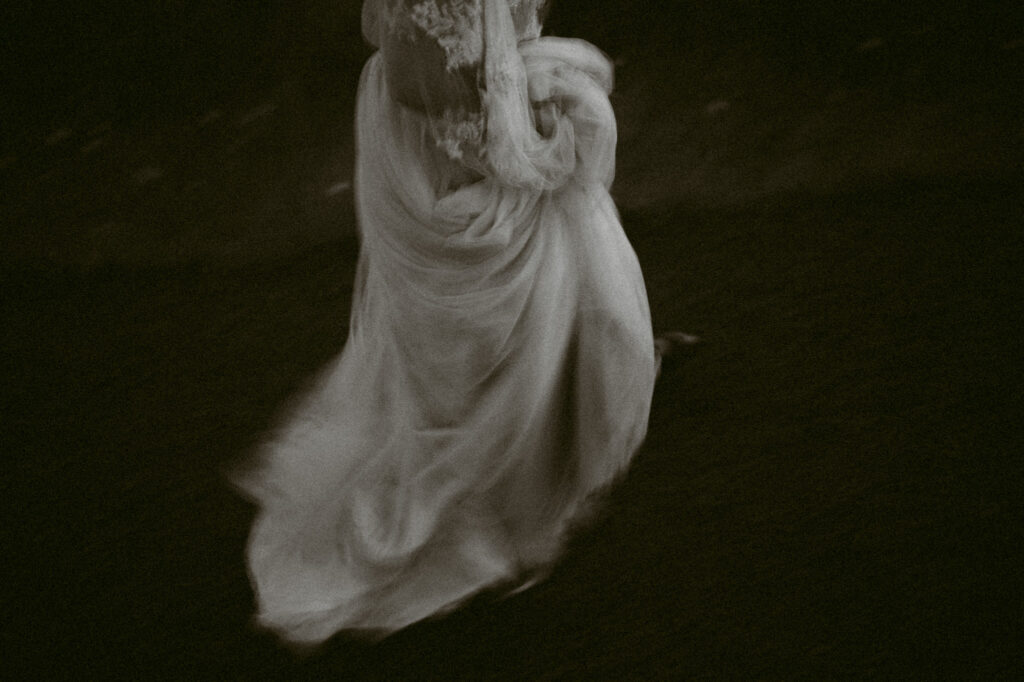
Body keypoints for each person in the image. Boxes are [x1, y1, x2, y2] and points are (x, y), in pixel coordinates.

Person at [233, 0, 694, 646]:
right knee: (507, 333)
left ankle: (579, 402)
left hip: (457, 133)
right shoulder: (427, 17)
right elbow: (472, 132)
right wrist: (562, 133)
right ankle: (511, 487)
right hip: (452, 176)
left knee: (560, 293)